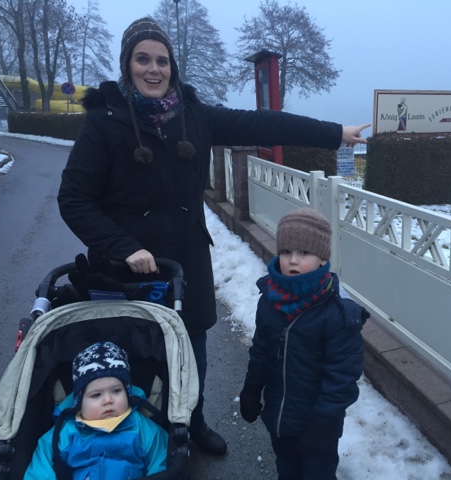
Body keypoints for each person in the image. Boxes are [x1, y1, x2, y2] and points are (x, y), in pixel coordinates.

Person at [56, 15, 369, 456]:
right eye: (143, 59)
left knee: (193, 349)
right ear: (127, 64)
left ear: (172, 67)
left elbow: (264, 124)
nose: (154, 69)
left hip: (185, 261)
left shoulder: (195, 116)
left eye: (162, 60)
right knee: (137, 353)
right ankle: (136, 432)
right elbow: (74, 200)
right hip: (126, 269)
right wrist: (124, 247)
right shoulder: (103, 122)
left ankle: (192, 421)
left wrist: (334, 134)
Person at [239, 208, 369, 479]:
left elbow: (342, 376)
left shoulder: (336, 314)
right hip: (279, 418)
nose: (293, 261)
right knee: (287, 470)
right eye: (286, 251)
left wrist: (323, 424)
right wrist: (251, 389)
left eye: (304, 252)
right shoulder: (270, 301)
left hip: (317, 428)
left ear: (323, 258)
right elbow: (261, 350)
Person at [24, 341, 168, 479]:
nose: (108, 400)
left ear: (128, 393)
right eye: (96, 395)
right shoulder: (64, 433)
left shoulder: (143, 429)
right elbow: (41, 470)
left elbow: (161, 464)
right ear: (79, 403)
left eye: (116, 391)